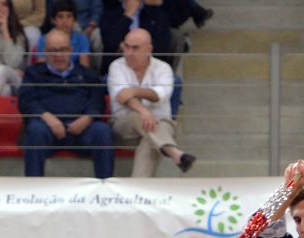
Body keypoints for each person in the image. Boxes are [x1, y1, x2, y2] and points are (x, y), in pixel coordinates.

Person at [18, 26, 113, 176]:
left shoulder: (87, 74)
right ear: (45, 52)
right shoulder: (33, 73)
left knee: (102, 131)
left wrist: (86, 119)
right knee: (35, 130)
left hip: (80, 129)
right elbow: (26, 101)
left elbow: (98, 101)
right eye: (52, 50)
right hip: (47, 128)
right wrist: (48, 118)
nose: (58, 54)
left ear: (71, 49)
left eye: (62, 49)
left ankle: (105, 189)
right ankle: (33, 189)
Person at [106, 27, 194, 175]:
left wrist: (134, 91)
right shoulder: (116, 66)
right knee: (136, 116)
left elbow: (159, 95)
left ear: (149, 49)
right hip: (125, 129)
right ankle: (175, 153)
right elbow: (122, 97)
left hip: (160, 127)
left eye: (135, 48)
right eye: (126, 46)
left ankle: (137, 193)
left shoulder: (163, 68)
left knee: (149, 142)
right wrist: (143, 111)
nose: (129, 52)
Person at [100, 0, 172, 73]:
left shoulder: (157, 14)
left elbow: (162, 46)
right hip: (116, 68)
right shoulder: (109, 14)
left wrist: (136, 49)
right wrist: (128, 15)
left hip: (151, 69)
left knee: (176, 80)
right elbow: (110, 43)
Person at [35, 0, 91, 65]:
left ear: (74, 20)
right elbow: (41, 67)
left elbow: (84, 67)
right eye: (60, 16)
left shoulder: (82, 39)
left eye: (69, 16)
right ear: (53, 20)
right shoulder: (44, 39)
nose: (65, 20)